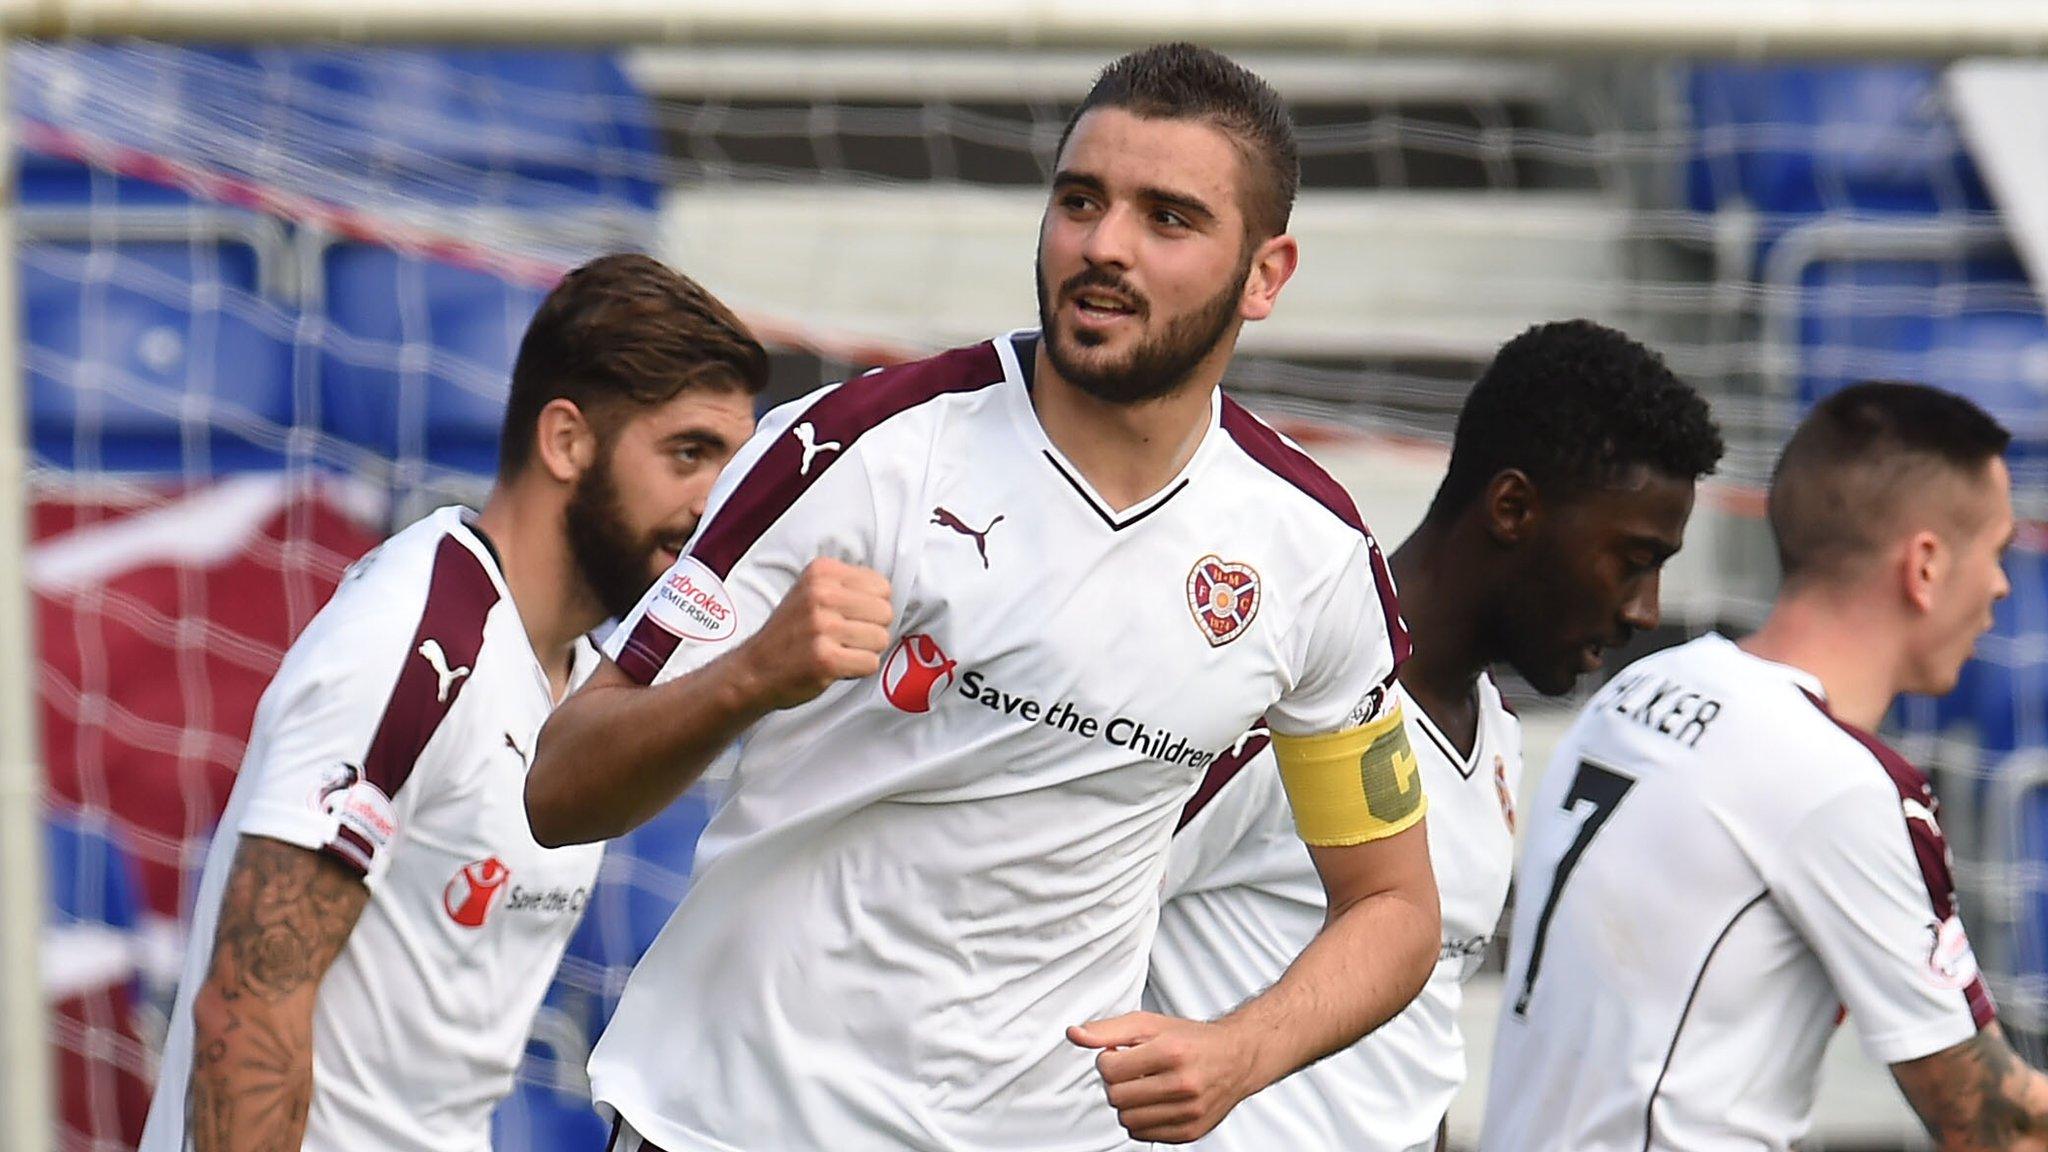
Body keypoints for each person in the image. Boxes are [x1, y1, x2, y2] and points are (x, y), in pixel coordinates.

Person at [525, 42, 1440, 1152]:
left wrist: (1241, 1050)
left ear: (1265, 273)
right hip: (734, 1124)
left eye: (1167, 218)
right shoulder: (860, 451)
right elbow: (560, 787)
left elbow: (1392, 908)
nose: (1102, 246)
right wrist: (750, 675)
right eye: (1079, 201)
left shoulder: (1311, 554)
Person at [139, 254, 767, 1152]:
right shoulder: (414, 640)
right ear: (566, 442)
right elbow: (251, 1004)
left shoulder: (593, 684)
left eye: (732, 467)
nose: (715, 507)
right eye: (688, 454)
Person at [1146, 319, 1724, 1151]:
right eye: (1632, 558)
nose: (1645, 610)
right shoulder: (1275, 698)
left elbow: (1410, 1057)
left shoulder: (1495, 735)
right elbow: (1064, 933)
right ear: (1514, 508)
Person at [1481, 381, 2044, 1152]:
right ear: (1925, 566)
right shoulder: (1842, 783)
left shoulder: (1645, 686)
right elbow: (1996, 1125)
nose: (2004, 586)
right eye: (1998, 551)